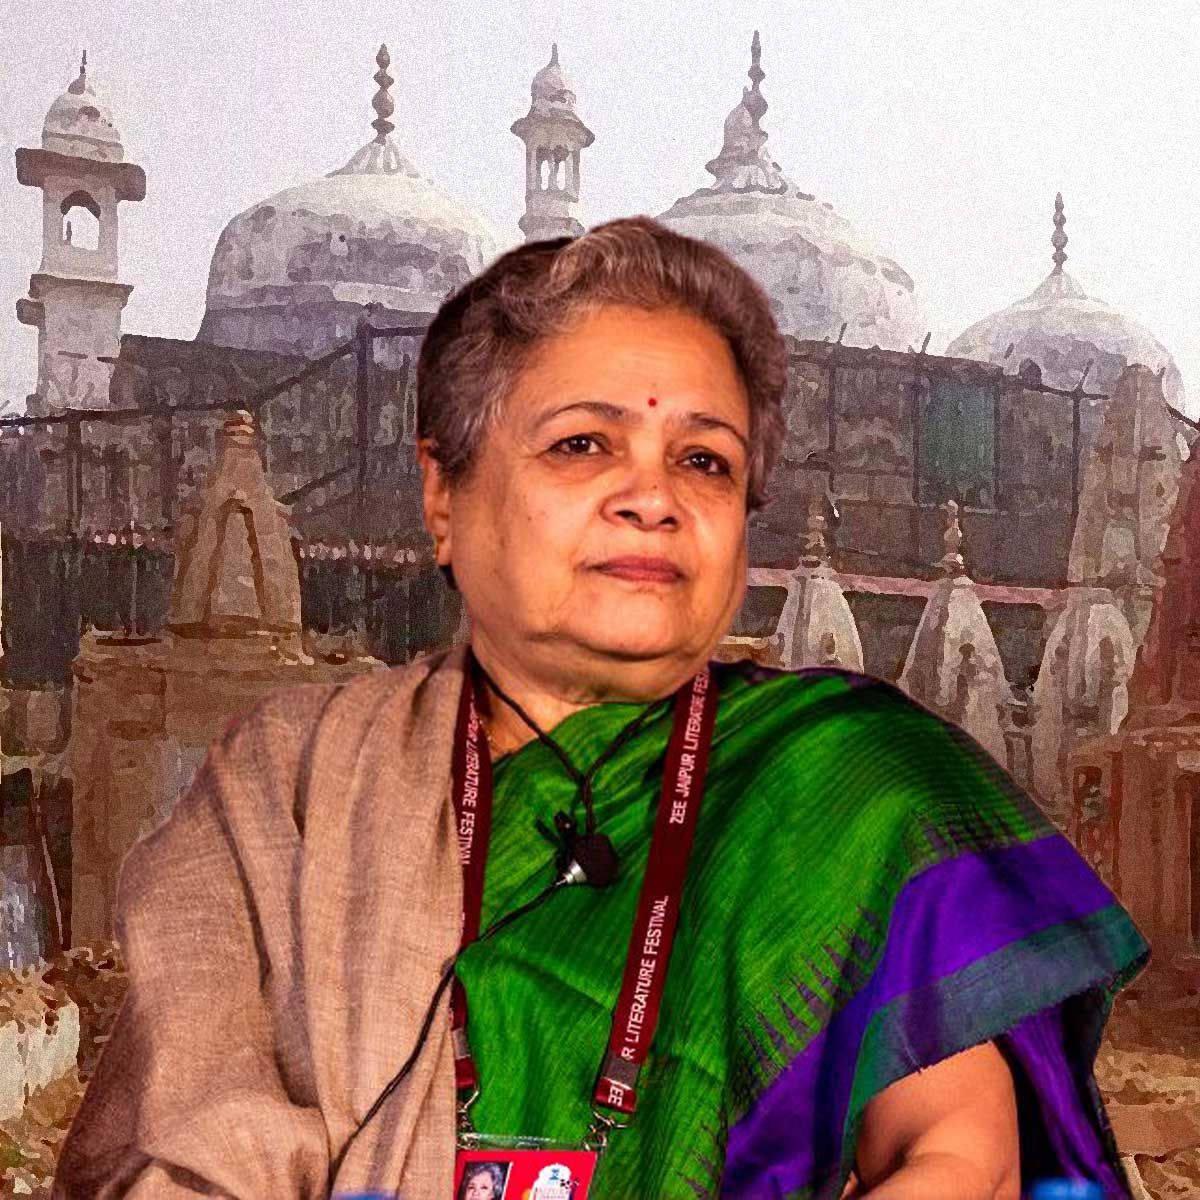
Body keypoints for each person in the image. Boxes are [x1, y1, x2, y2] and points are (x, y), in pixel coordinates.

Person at [52, 216, 1148, 1200]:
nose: (652, 499)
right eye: (582, 444)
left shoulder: (845, 785)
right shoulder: (291, 788)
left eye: (705, 461)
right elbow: (180, 1149)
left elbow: (960, 1154)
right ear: (444, 495)